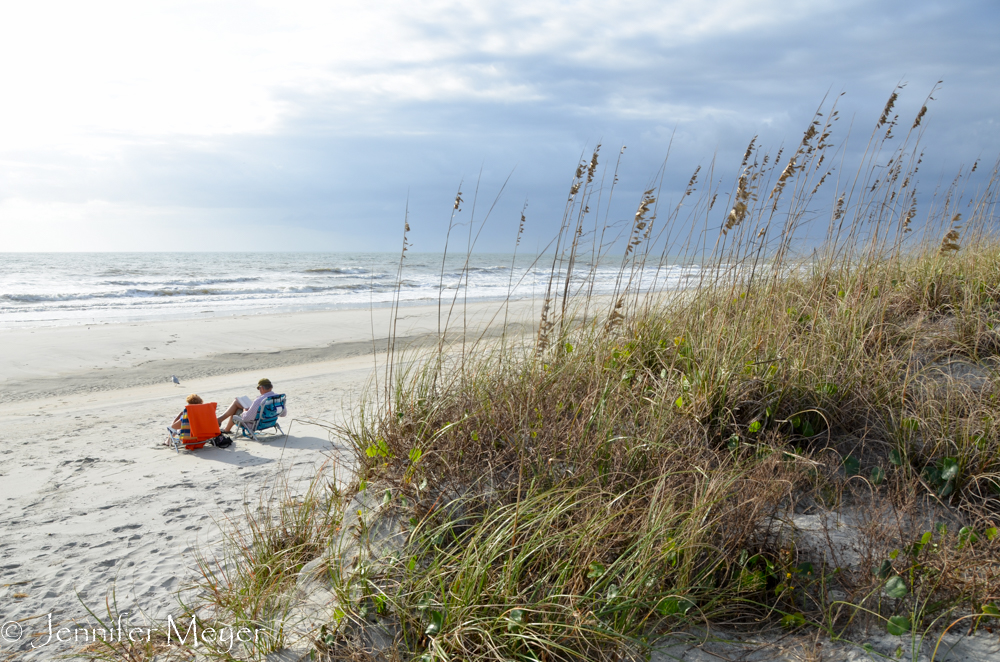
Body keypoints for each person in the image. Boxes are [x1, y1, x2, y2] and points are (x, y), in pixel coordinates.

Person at [217, 378, 287, 433]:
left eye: (259, 389)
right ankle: (225, 427)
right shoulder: (278, 398)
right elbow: (283, 414)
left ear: (261, 388)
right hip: (270, 422)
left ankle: (222, 422)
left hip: (255, 425)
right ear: (271, 387)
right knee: (237, 403)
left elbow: (246, 418)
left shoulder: (259, 400)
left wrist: (245, 410)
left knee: (237, 411)